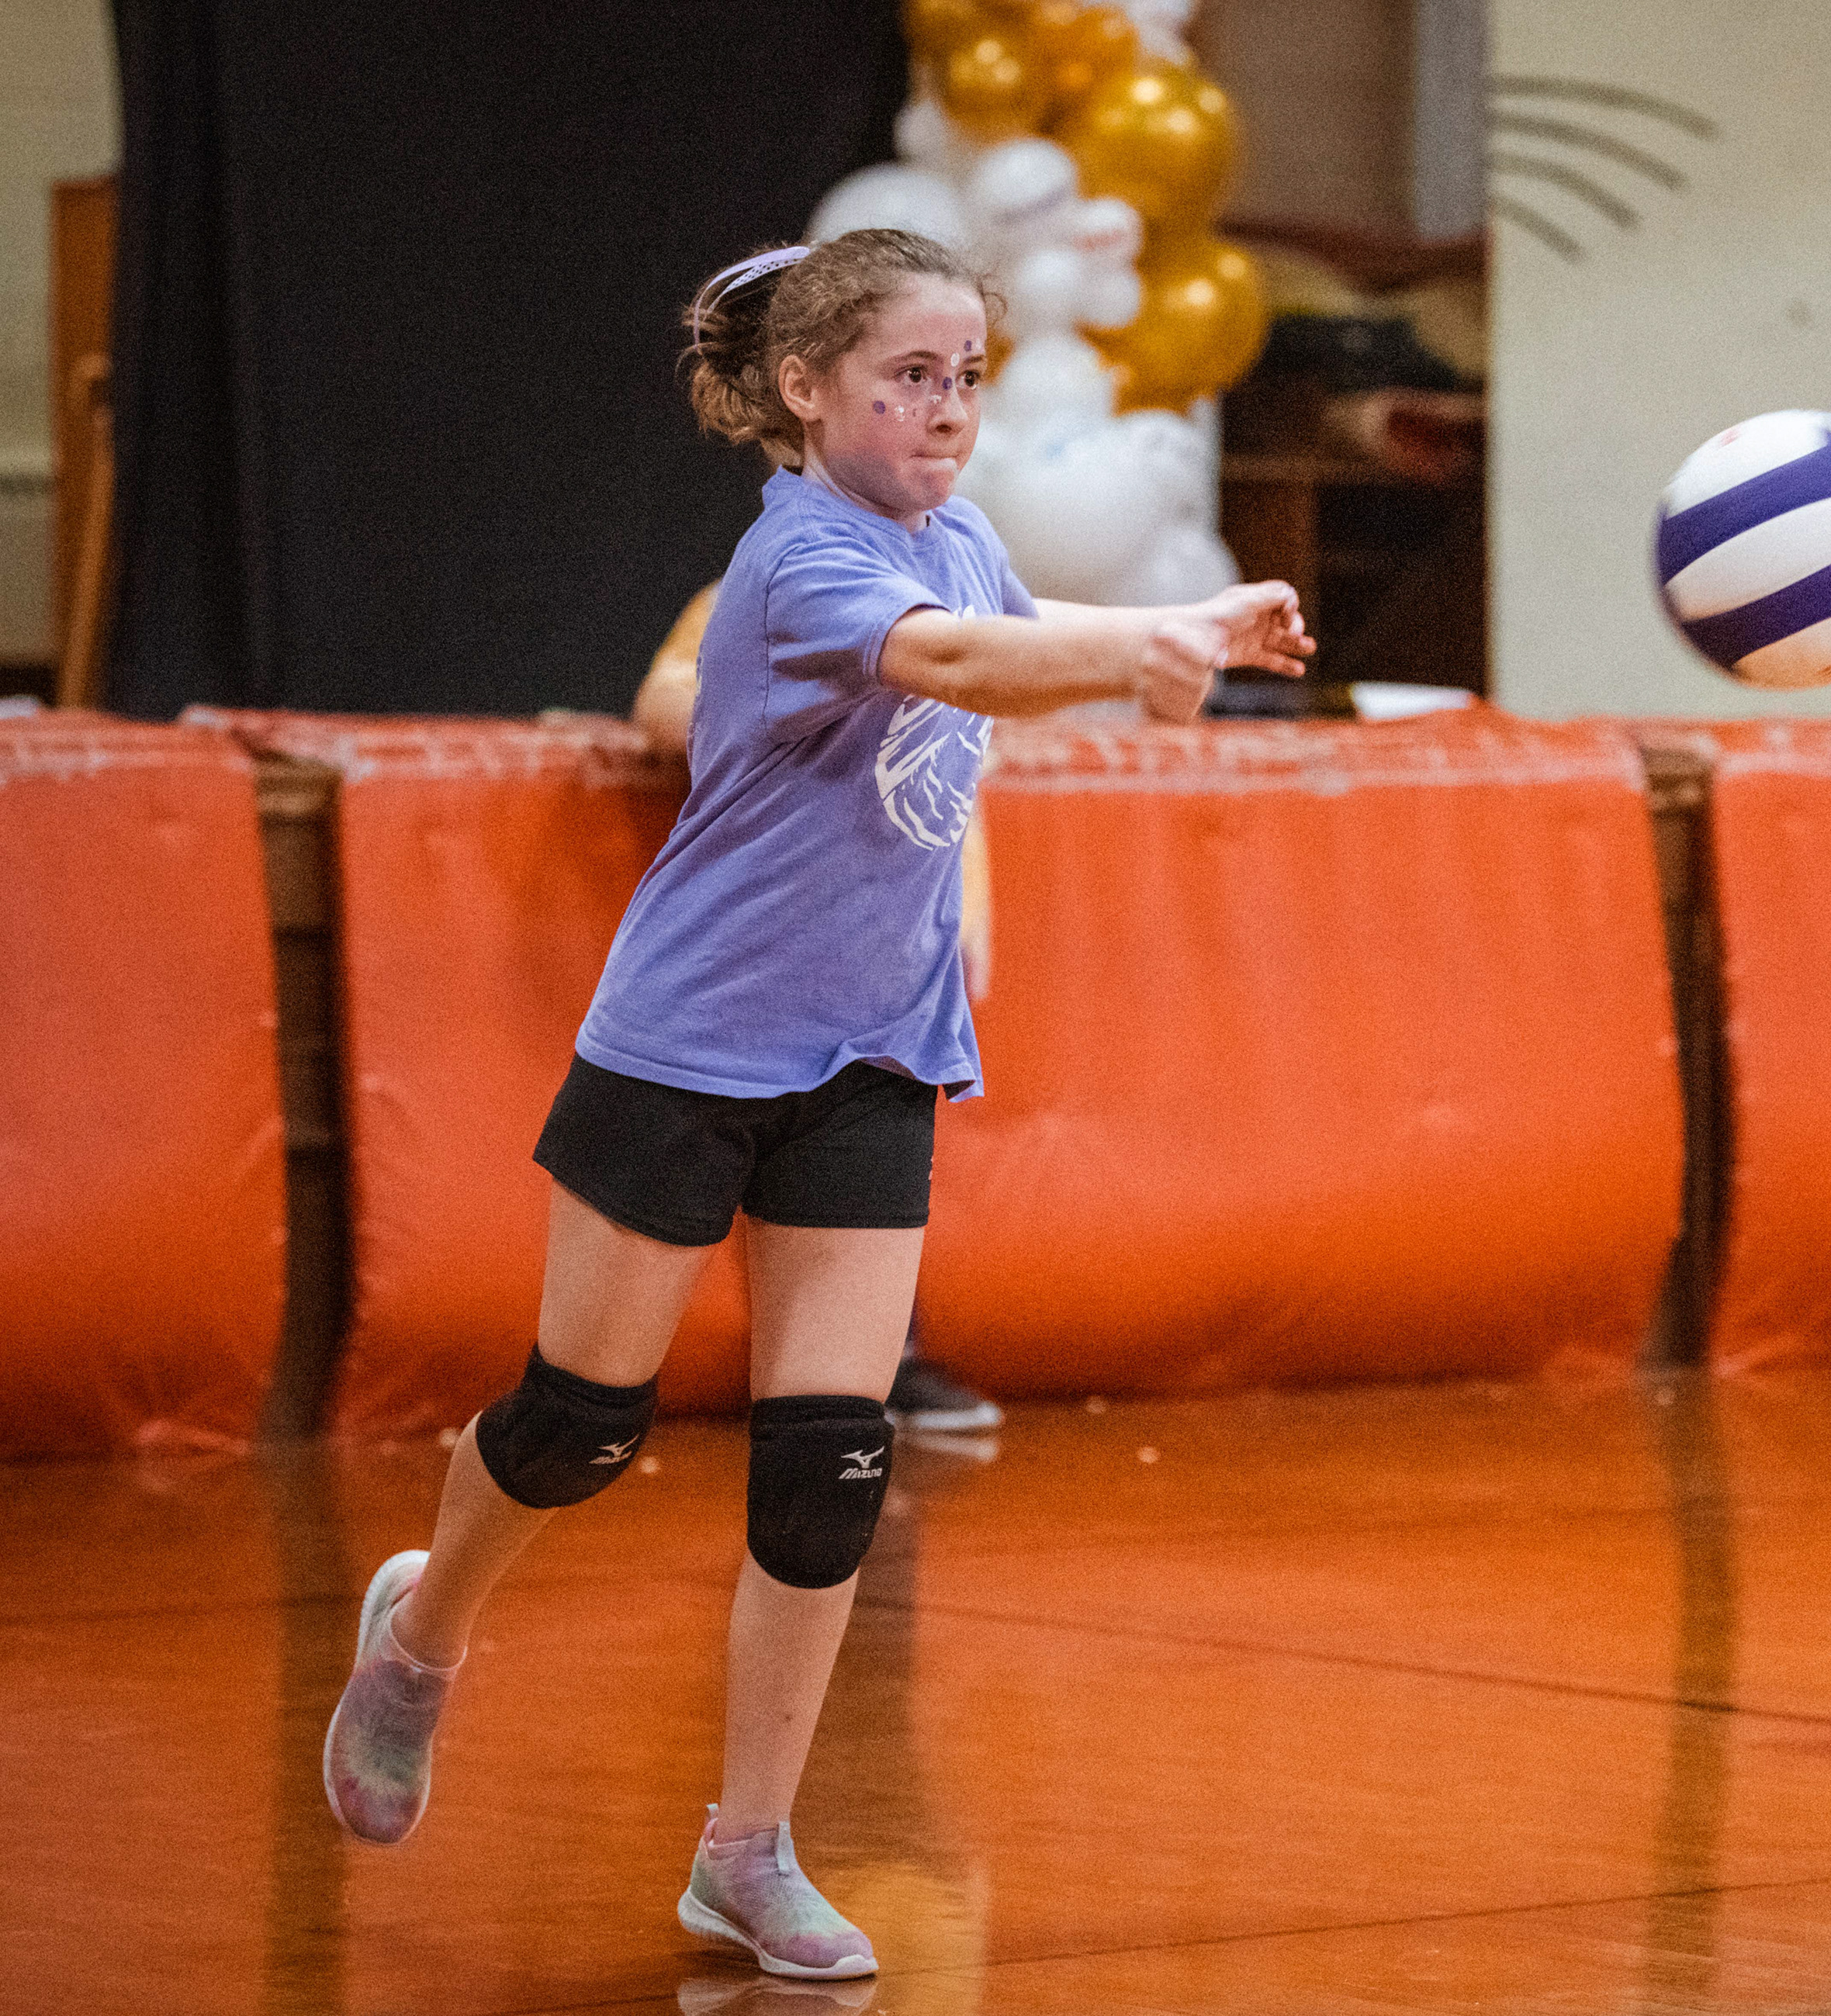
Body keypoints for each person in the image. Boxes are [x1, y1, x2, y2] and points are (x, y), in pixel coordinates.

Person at [318, 228, 1309, 1980]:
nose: (949, 410)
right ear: (805, 386)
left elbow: (1012, 632)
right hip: (690, 1045)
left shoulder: (960, 538)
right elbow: (958, 665)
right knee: (578, 1428)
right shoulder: (797, 562)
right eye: (910, 377)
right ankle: (422, 1630)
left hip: (874, 1053)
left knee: (829, 1470)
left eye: (968, 377)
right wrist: (1147, 639)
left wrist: (1176, 632)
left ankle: (746, 1852)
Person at [638, 586, 1002, 1437]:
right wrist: (805, 713)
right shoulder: (764, 590)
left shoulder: (943, 607)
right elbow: (661, 703)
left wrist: (968, 913)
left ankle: (875, 1367)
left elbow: (958, 774)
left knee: (868, 1158)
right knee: (753, 1143)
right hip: (773, 933)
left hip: (893, 946)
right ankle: (669, 1369)